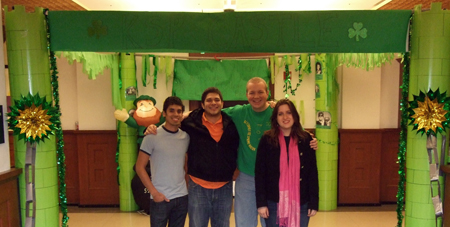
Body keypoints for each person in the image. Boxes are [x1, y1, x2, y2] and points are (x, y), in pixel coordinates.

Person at [221, 77, 318, 227]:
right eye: (252, 93)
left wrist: (312, 139)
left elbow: (298, 132)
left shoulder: (277, 110)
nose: (256, 96)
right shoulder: (239, 112)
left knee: (271, 221)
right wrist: (183, 115)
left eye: (260, 92)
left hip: (274, 180)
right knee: (245, 222)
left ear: (268, 93)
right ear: (246, 95)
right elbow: (210, 110)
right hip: (246, 177)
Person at [255, 99, 318, 227]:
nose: (285, 117)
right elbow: (260, 174)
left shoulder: (306, 140)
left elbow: (312, 173)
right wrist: (261, 203)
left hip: (301, 202)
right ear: (275, 118)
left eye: (289, 112)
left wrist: (313, 202)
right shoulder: (267, 139)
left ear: (294, 115)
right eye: (280, 113)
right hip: (273, 202)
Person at [182, 87, 239, 227]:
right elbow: (170, 123)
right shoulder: (190, 123)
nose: (213, 103)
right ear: (202, 105)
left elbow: (237, 148)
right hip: (197, 186)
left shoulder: (232, 124)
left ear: (222, 103)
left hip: (224, 187)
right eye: (209, 100)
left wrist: (237, 168)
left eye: (216, 100)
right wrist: (151, 127)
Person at [135, 96, 190, 227]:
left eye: (179, 111)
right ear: (164, 113)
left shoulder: (186, 137)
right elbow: (139, 167)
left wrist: (186, 189)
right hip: (160, 198)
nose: (175, 114)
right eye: (171, 110)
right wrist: (154, 193)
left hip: (182, 197)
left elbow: (186, 165)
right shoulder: (152, 136)